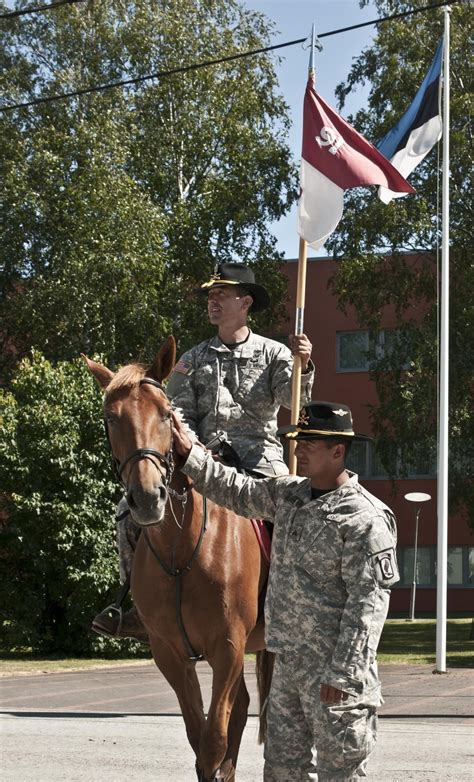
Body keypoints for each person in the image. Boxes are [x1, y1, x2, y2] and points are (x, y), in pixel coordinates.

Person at [172, 401, 399, 781]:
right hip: (288, 669)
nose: (298, 449)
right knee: (281, 772)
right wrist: (188, 453)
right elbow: (235, 489)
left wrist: (343, 677)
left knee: (339, 775)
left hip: (335, 677)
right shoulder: (289, 496)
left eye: (309, 442)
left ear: (338, 450)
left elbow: (367, 610)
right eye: (298, 440)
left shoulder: (365, 519)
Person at [92, 262, 314, 643]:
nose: (212, 301)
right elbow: (176, 413)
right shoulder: (191, 359)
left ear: (244, 303)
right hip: (203, 456)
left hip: (260, 460)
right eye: (210, 295)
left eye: (221, 294)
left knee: (292, 516)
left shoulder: (276, 354)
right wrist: (196, 452)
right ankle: (136, 607)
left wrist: (304, 365)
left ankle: (292, 603)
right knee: (126, 515)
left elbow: (298, 405)